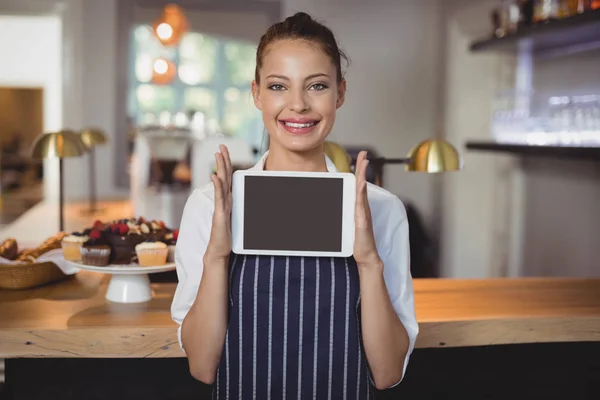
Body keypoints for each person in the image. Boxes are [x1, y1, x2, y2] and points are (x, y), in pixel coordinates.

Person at [171, 12, 418, 399]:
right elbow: (202, 366)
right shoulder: (210, 206)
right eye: (278, 86)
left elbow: (386, 373)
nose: (298, 105)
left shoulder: (382, 210)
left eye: (316, 85)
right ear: (256, 94)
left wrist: (369, 262)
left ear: (340, 93)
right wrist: (216, 256)